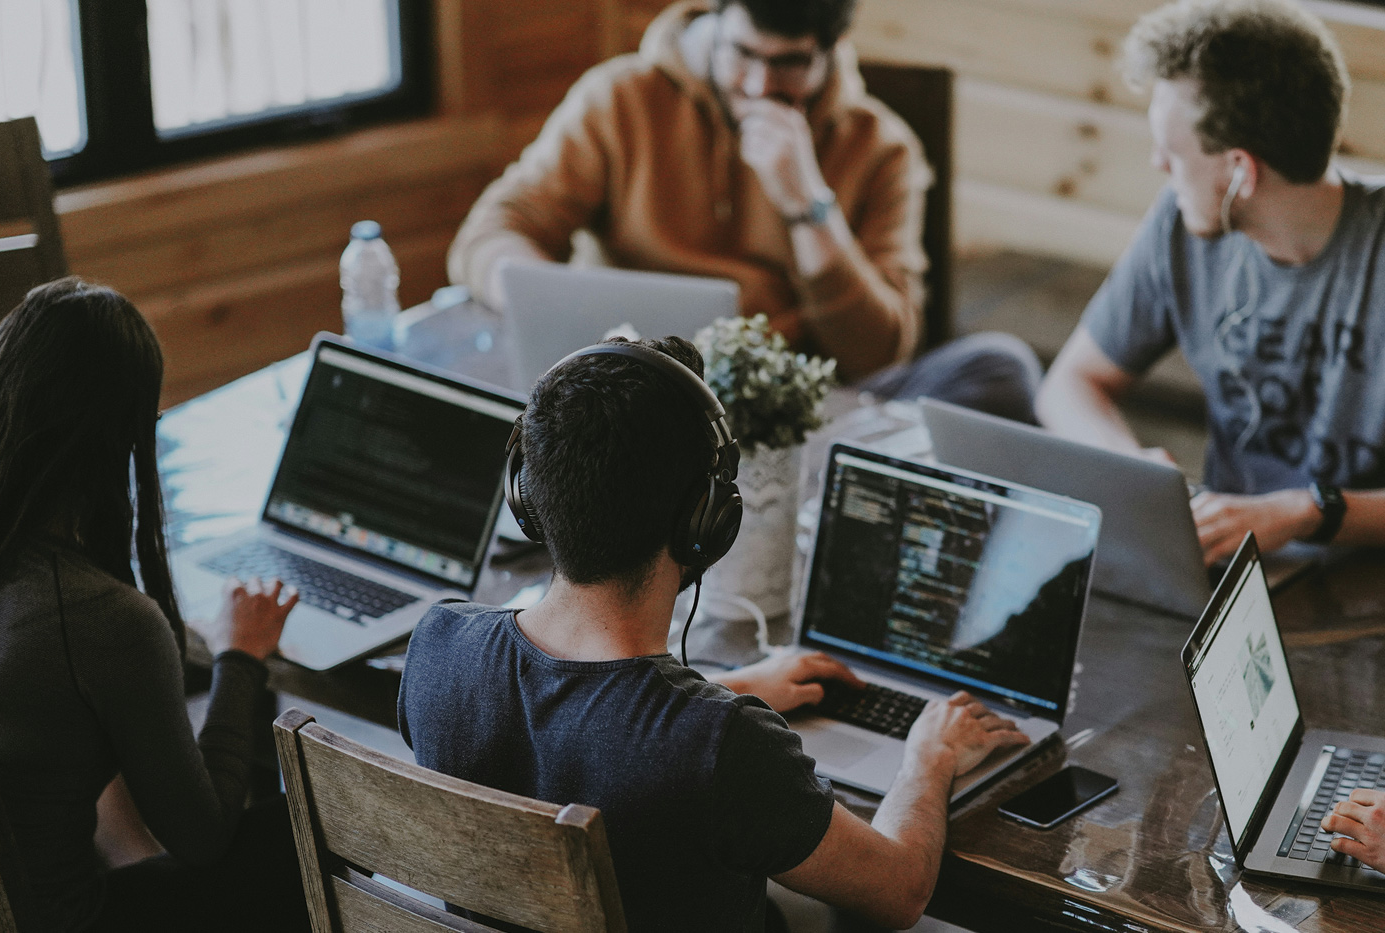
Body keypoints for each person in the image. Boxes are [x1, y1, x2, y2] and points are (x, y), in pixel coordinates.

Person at [398, 335, 1029, 932]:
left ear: (528, 495)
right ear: (707, 523)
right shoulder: (724, 747)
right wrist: (930, 757)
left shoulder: (439, 647)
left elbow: (573, 728)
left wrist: (727, 686)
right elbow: (900, 892)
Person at [447, 0, 1042, 422]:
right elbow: (492, 233)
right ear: (714, 14)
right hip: (632, 392)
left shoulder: (883, 148)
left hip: (795, 415)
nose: (759, 85)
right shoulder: (620, 98)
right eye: (743, 54)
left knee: (1001, 368)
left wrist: (809, 206)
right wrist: (545, 302)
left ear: (830, 51)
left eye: (789, 63)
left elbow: (879, 353)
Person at [0, 279, 308, 932]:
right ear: (122, 436)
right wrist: (238, 656)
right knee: (297, 832)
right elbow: (203, 836)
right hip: (76, 918)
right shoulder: (102, 618)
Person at [1035, 0, 1385, 566]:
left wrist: (1306, 512)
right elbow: (1069, 384)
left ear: (1240, 171)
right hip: (1227, 570)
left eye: (1172, 153)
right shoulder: (1177, 227)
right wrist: (1131, 464)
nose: (1158, 165)